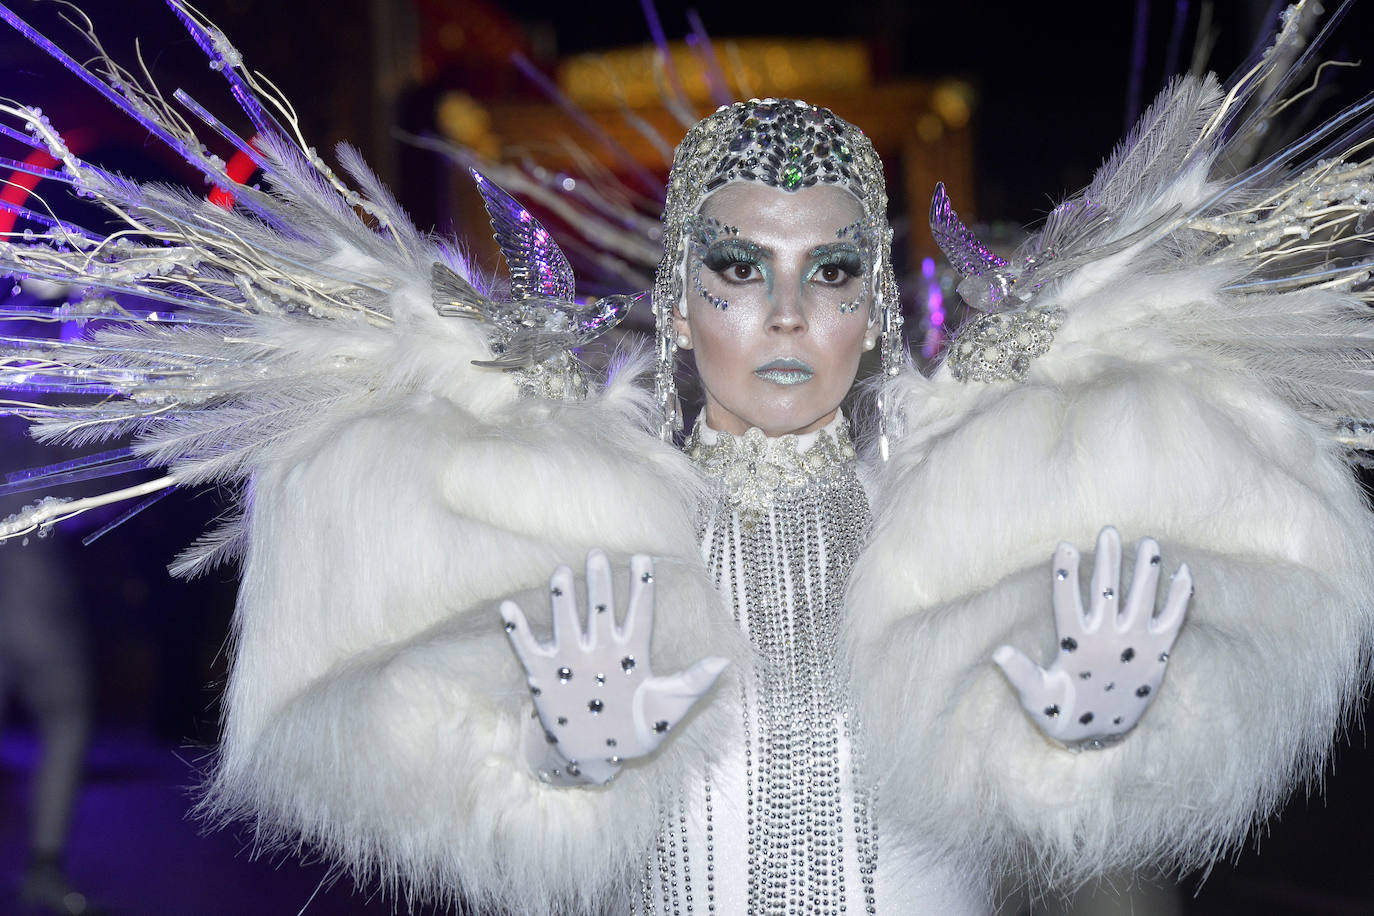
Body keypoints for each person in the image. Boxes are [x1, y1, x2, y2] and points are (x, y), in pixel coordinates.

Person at [0, 5, 1371, 915]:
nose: (784, 313)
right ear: (676, 302)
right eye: (738, 268)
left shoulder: (977, 502)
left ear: (875, 303)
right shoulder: (564, 514)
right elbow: (439, 787)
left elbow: (1079, 825)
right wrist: (557, 761)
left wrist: (1087, 742)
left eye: (830, 270)